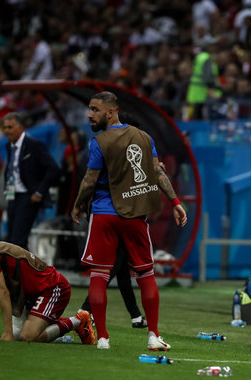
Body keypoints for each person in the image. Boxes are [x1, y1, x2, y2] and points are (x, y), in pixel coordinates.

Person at [71, 91, 187, 350]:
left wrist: (78, 205)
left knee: (99, 275)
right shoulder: (145, 138)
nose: (89, 114)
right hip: (135, 215)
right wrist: (175, 202)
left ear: (111, 111)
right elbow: (158, 172)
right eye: (89, 109)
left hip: (104, 215)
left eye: (95, 109)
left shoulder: (99, 141)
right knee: (146, 274)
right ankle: (153, 335)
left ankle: (102, 338)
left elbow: (90, 180)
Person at [0, 225, 94, 344]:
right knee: (19, 335)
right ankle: (49, 325)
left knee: (27, 336)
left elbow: (3, 292)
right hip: (27, 295)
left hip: (52, 288)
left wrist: (7, 333)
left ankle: (79, 320)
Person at [2, 112, 60, 250]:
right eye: (5, 127)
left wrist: (39, 192)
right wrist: (8, 194)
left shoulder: (34, 145)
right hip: (12, 195)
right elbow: (11, 170)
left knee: (18, 240)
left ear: (21, 127)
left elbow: (53, 169)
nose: (6, 131)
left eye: (10, 127)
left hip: (29, 196)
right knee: (11, 238)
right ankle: (20, 268)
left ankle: (22, 270)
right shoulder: (9, 146)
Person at [185, 37, 222, 120]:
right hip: (203, 93)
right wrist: (217, 87)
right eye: (212, 45)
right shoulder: (206, 58)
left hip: (195, 92)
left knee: (195, 117)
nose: (214, 47)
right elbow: (207, 78)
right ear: (208, 46)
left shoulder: (199, 57)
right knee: (200, 119)